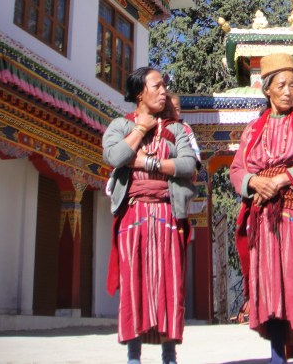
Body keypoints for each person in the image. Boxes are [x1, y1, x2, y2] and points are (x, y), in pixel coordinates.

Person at [229, 53, 293, 364]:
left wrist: (284, 179)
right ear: (267, 88)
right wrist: (255, 183)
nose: (288, 91)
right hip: (262, 218)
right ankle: (276, 356)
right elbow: (236, 171)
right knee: (270, 284)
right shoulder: (253, 129)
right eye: (282, 85)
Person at [102, 66, 197, 364]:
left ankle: (169, 355)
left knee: (170, 284)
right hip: (134, 215)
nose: (163, 91)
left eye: (164, 87)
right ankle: (134, 356)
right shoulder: (120, 125)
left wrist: (147, 162)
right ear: (139, 92)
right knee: (134, 284)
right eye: (156, 86)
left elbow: (187, 166)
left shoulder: (177, 129)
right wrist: (141, 129)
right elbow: (116, 157)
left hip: (168, 212)